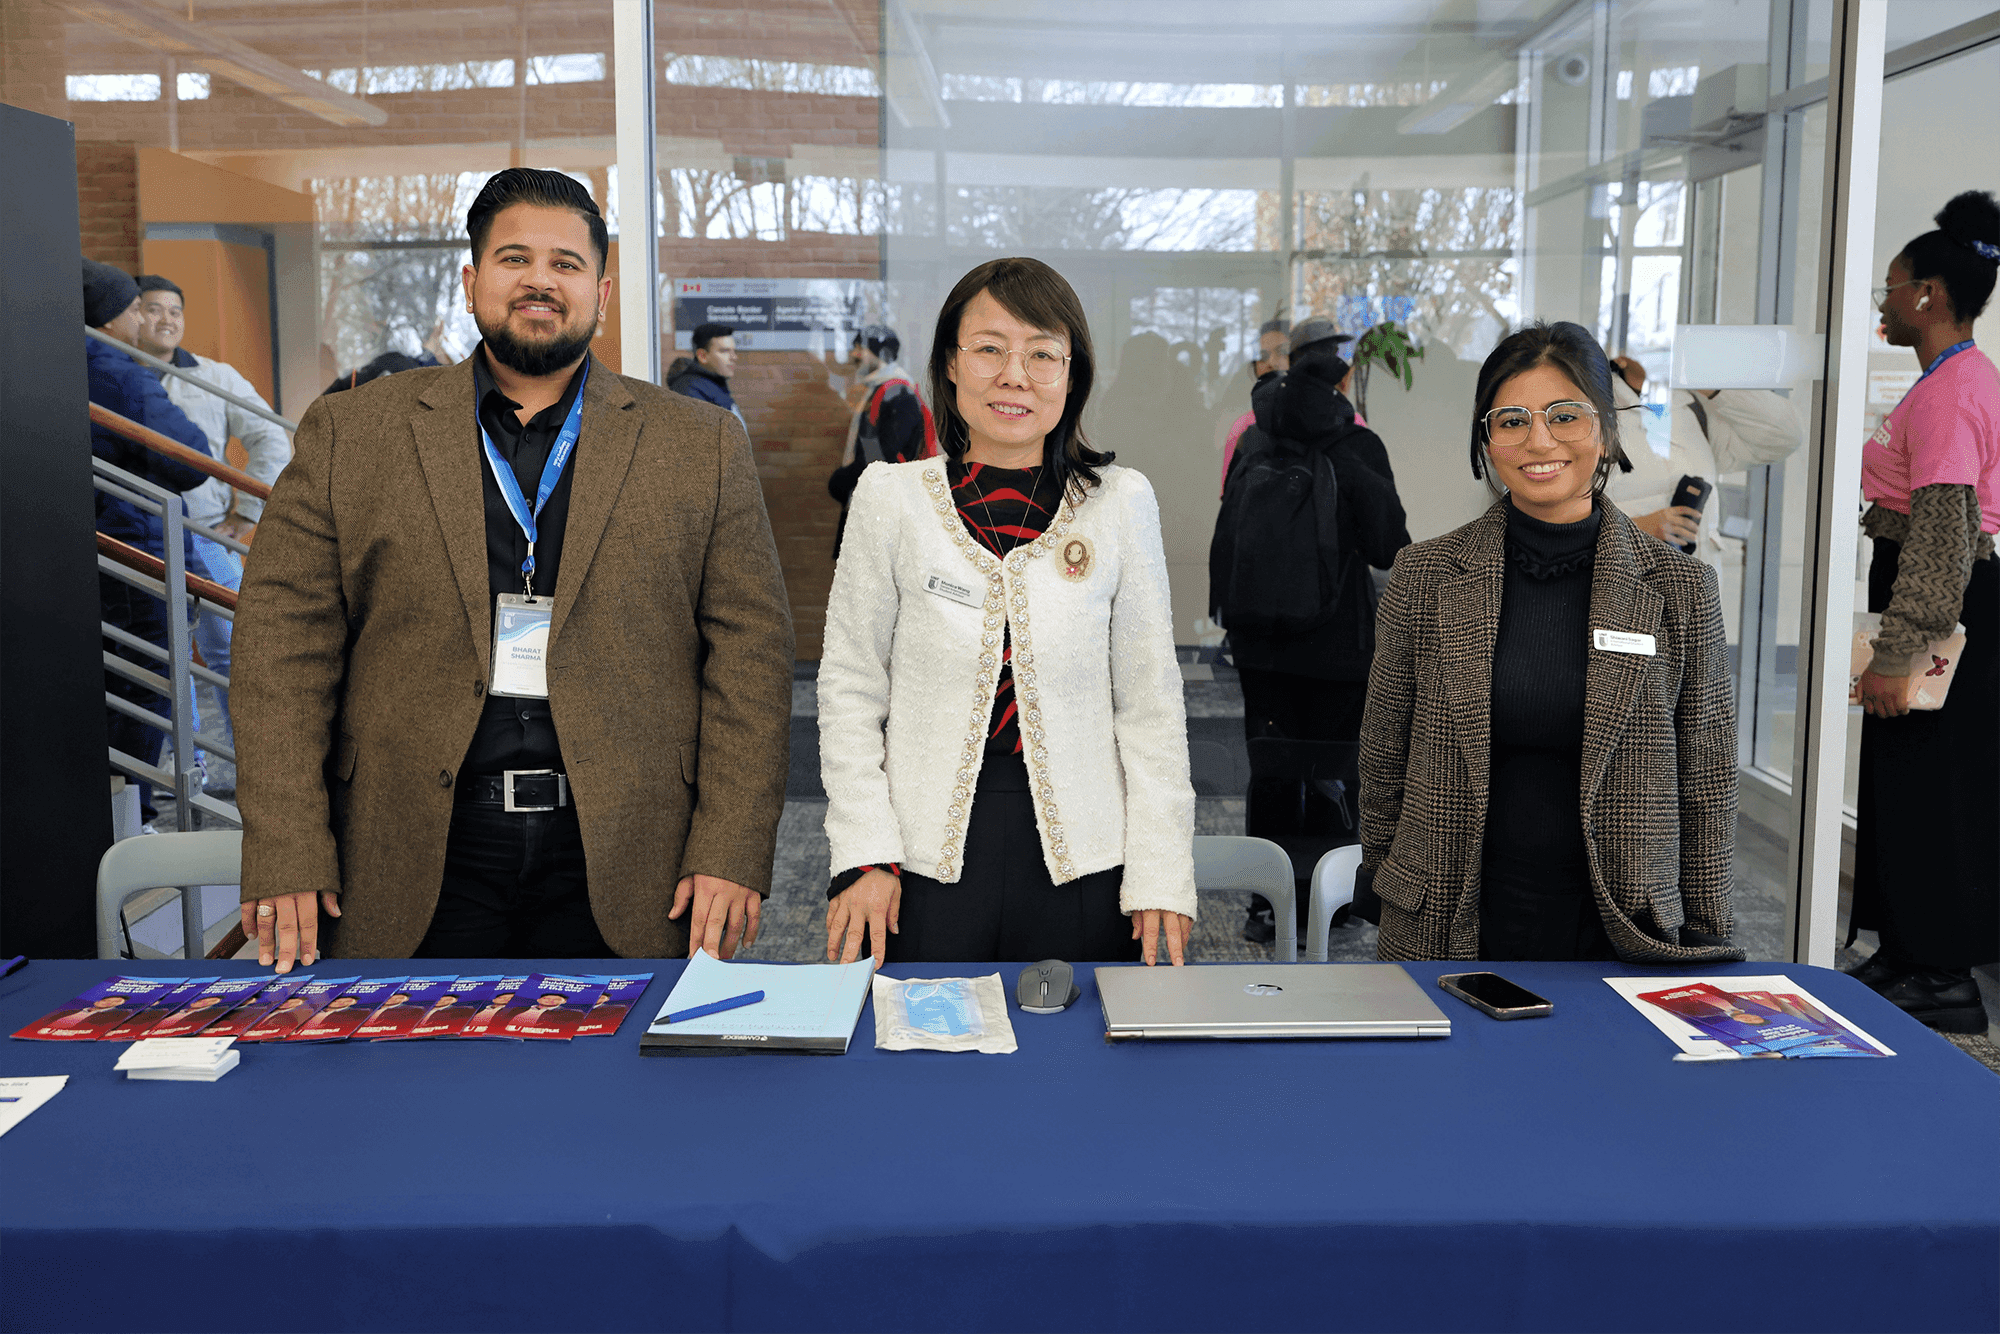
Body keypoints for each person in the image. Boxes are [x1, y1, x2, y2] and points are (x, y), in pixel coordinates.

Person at [232, 167, 794, 972]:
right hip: (408, 851)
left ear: (601, 293)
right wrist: (286, 844)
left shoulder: (699, 444)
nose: (539, 280)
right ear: (471, 283)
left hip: (633, 854)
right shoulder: (355, 434)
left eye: (565, 264)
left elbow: (751, 660)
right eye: (514, 259)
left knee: (624, 1092)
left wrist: (733, 846)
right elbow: (278, 653)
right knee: (410, 1090)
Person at [818, 256, 1198, 967]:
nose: (1014, 375)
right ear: (951, 366)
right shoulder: (889, 499)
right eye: (989, 348)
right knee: (919, 1058)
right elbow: (849, 689)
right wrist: (864, 853)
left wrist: (1160, 872)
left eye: (1042, 354)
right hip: (920, 859)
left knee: (1081, 1063)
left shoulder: (1119, 503)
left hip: (1087, 858)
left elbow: (1150, 705)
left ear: (1072, 374)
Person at [1359, 320, 1742, 964]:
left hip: (1626, 923)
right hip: (1446, 914)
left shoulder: (1680, 588)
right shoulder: (1425, 576)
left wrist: (1706, 920)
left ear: (1607, 431)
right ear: (1486, 441)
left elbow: (1705, 775)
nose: (1539, 440)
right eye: (1510, 421)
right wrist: (1385, 876)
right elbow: (1383, 752)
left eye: (1565, 415)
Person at [1847, 190, 2000, 1033]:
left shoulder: (1951, 393)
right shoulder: (1954, 380)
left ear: (1929, 295)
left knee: (1937, 789)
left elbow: (1945, 536)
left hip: (1944, 599)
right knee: (1910, 785)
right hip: (1939, 593)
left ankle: (1940, 975)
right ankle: (1907, 953)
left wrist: (1900, 653)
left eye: (1892, 284)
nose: (1884, 298)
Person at [133, 274, 294, 764]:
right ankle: (192, 766)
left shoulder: (215, 376)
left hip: (204, 534)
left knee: (236, 650)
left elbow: (270, 437)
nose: (166, 320)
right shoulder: (114, 373)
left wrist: (246, 514)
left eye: (174, 311)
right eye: (154, 309)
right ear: (133, 315)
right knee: (169, 656)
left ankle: (253, 765)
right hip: (135, 535)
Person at [84, 259, 217, 826]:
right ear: (110, 317)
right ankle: (129, 815)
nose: (145, 316)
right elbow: (189, 456)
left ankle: (126, 810)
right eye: (135, 307)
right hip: (140, 550)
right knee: (148, 690)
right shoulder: (117, 371)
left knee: (125, 685)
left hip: (110, 550)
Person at [1603, 356, 1804, 553]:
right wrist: (1638, 527)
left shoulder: (1694, 409)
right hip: (1624, 578)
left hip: (1696, 580)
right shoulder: (1591, 410)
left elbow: (1785, 435)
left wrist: (1713, 384)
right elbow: (1573, 518)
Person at [827, 324, 937, 558]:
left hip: (883, 514)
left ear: (882, 353)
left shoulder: (898, 394)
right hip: (872, 507)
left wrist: (842, 480)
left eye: (861, 348)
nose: (854, 355)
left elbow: (881, 456)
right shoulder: (880, 390)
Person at [667, 322, 744, 427]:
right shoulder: (688, 392)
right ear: (702, 356)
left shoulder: (713, 384)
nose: (733, 357)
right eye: (724, 351)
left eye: (733, 351)